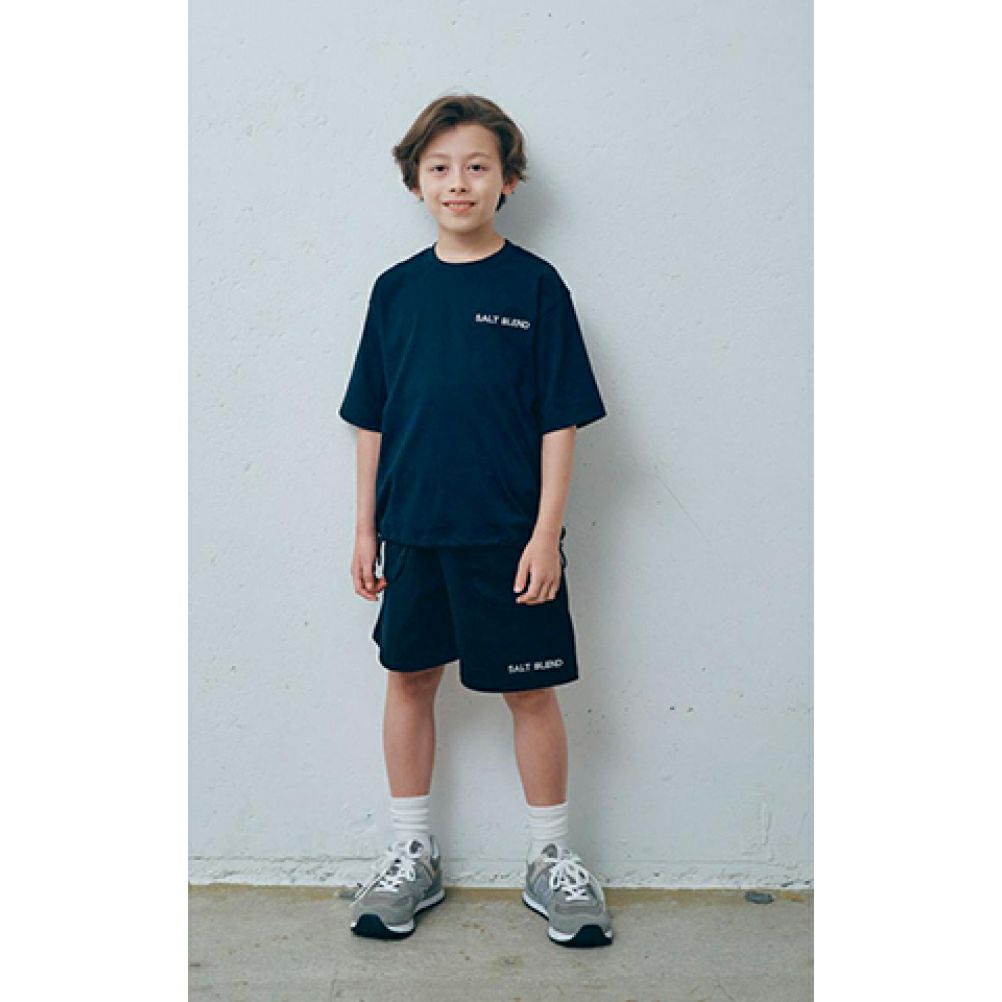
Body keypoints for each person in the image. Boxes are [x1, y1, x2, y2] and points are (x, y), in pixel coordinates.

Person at [337, 94, 613, 948]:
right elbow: (372, 421)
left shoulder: (535, 286)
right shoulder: (395, 292)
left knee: (529, 691)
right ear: (416, 182)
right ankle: (410, 853)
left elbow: (559, 421)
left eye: (477, 166)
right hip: (414, 534)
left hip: (508, 539)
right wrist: (365, 529)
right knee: (409, 681)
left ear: (507, 181)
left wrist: (544, 535)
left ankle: (551, 859)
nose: (458, 182)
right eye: (441, 167)